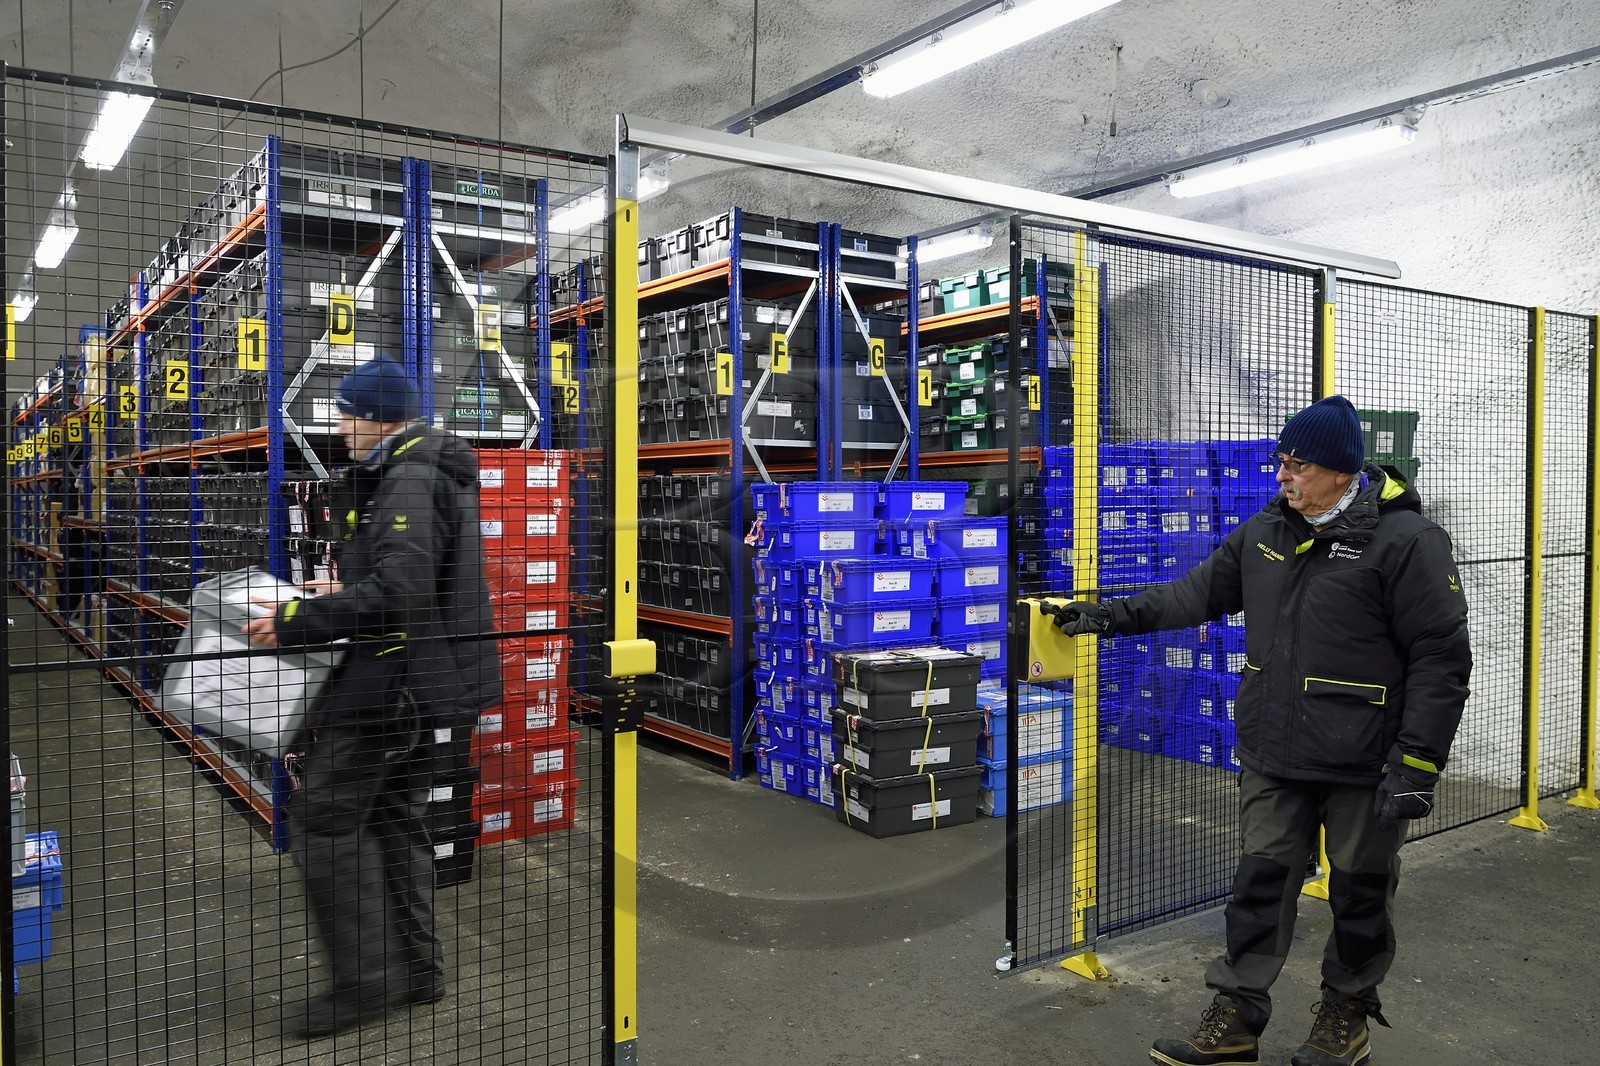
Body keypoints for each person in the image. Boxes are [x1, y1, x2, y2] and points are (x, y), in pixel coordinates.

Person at [1049, 395, 1471, 1066]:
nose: (1283, 475)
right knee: (1259, 887)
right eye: (1282, 461)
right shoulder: (1267, 533)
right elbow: (1195, 593)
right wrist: (1109, 615)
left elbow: (1441, 658)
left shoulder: (1407, 543)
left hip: (1365, 762)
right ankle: (1237, 1020)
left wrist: (1418, 762)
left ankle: (1346, 1018)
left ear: (1340, 470)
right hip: (1275, 753)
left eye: (1297, 464)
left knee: (1360, 894)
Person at [244, 354, 501, 1037]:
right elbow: (408, 578)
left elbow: (403, 591)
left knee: (324, 820)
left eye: (347, 416)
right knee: (393, 824)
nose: (341, 429)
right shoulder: (419, 471)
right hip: (420, 681)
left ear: (374, 417)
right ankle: (419, 973)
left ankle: (364, 985)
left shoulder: (410, 477)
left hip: (395, 688)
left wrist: (299, 621)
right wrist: (341, 592)